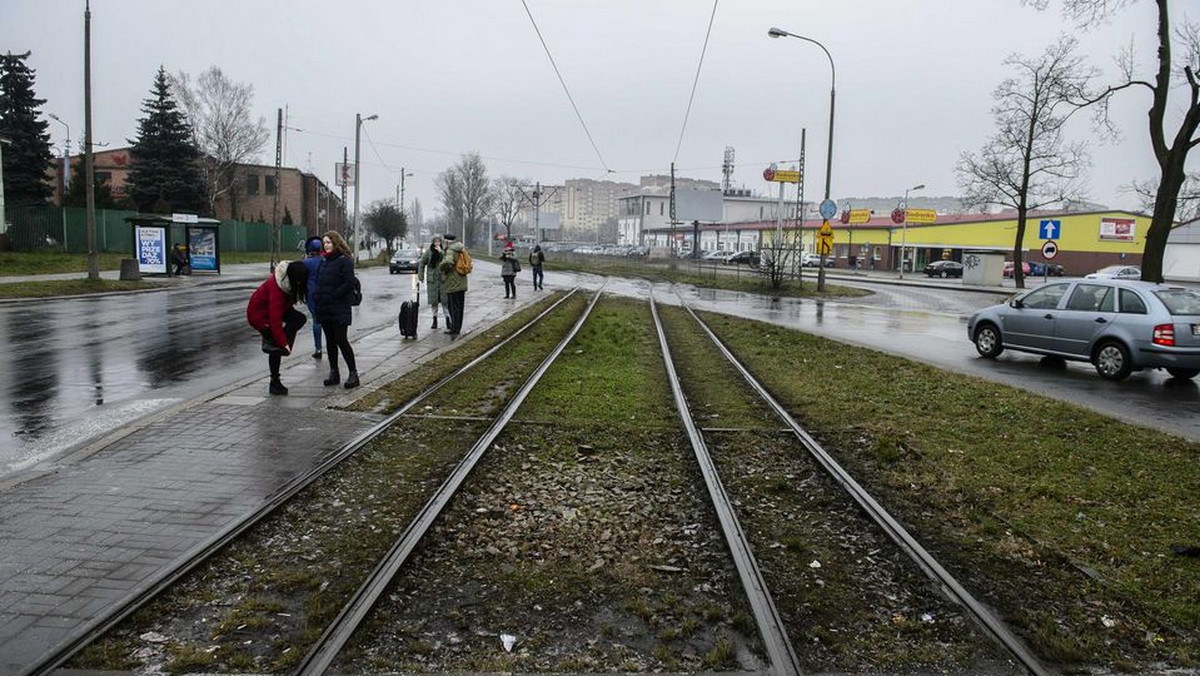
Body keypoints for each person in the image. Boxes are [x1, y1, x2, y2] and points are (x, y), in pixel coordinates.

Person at [246, 260, 309, 396]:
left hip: (276, 310)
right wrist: (282, 342)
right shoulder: (278, 289)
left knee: (299, 319)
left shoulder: (292, 280)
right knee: (275, 347)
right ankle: (274, 382)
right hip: (260, 316)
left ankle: (280, 345)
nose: (300, 284)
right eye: (298, 282)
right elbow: (275, 320)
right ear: (292, 278)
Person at [313, 230, 360, 389]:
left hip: (339, 307)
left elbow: (349, 282)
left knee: (341, 339)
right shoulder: (324, 261)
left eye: (328, 242)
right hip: (325, 308)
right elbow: (320, 282)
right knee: (330, 341)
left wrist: (334, 295)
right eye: (324, 243)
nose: (326, 245)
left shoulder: (344, 261)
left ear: (335, 242)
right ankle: (334, 372)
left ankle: (353, 373)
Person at [439, 233, 468, 337]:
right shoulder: (461, 249)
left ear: (446, 241)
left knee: (453, 307)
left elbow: (448, 262)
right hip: (462, 282)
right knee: (460, 307)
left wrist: (441, 266)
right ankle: (458, 327)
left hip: (453, 283)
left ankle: (454, 328)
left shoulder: (450, 250)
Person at [417, 235, 448, 330]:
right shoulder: (429, 252)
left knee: (445, 302)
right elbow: (422, 263)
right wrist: (421, 275)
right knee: (434, 302)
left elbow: (447, 261)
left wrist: (441, 252)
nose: (437, 243)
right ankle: (434, 320)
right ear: (433, 242)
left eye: (439, 241)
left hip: (442, 280)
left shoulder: (444, 251)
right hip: (432, 280)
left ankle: (448, 320)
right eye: (435, 241)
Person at [301, 236, 324, 359]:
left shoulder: (305, 263)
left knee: (316, 321)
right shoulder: (326, 260)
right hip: (326, 293)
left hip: (312, 294)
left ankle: (318, 348)